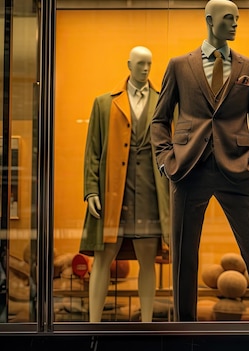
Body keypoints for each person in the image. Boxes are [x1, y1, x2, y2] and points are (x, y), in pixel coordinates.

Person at [151, 0, 249, 322]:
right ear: (210, 21)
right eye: (229, 18)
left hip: (237, 170)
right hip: (187, 169)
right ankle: (185, 332)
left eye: (237, 18)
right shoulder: (179, 66)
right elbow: (159, 120)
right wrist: (166, 161)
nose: (236, 24)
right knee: (184, 256)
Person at [80, 46, 170, 323]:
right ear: (129, 65)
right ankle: (93, 326)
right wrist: (92, 190)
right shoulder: (104, 103)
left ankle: (146, 325)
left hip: (150, 194)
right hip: (113, 194)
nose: (146, 69)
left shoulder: (164, 101)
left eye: (150, 64)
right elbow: (92, 152)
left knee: (147, 262)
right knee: (102, 259)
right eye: (140, 64)